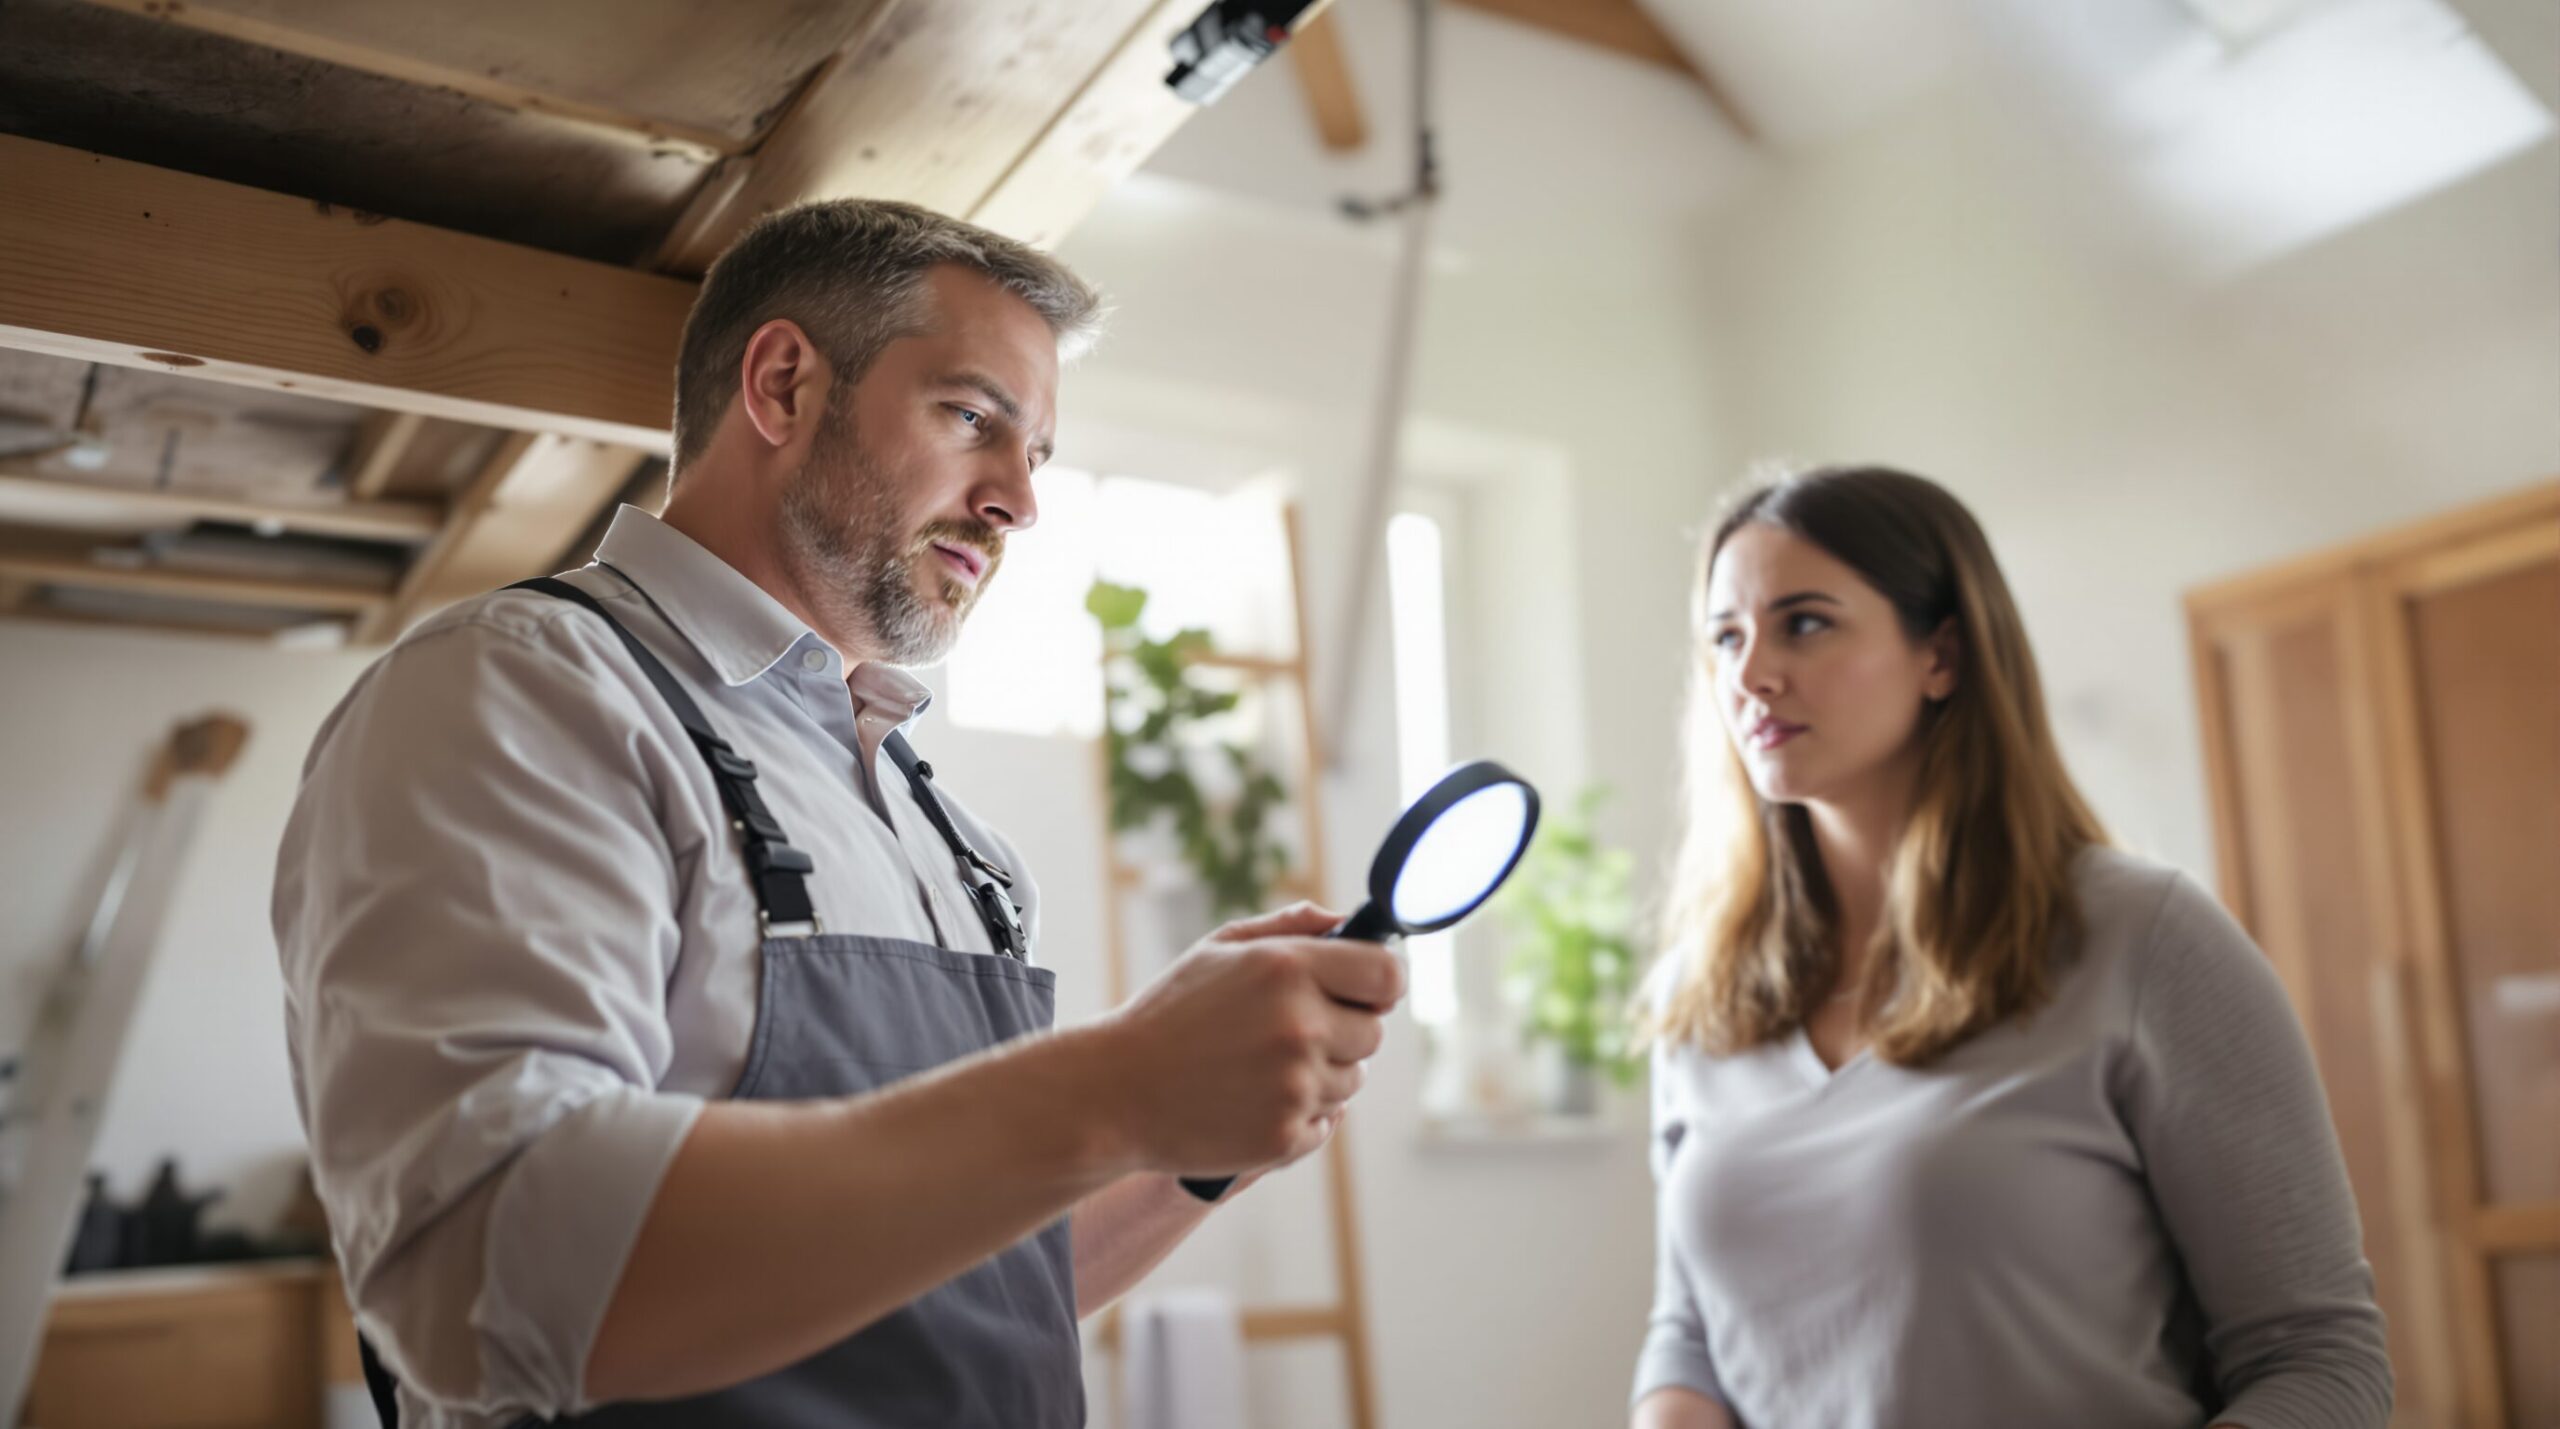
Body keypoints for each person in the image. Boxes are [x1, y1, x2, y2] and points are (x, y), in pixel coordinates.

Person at [273, 199, 1402, 1429]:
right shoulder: (524, 694)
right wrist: (1121, 1084)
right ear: (783, 385)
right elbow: (484, 1270)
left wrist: (1188, 1143)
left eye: (1036, 456)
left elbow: (971, 1291)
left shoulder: (953, 843)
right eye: (972, 418)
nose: (1018, 501)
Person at [1628, 467, 2391, 1429]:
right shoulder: (1698, 998)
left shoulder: (2144, 939)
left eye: (1805, 623)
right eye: (1725, 638)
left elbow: (2319, 1360)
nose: (1750, 676)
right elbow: (1691, 1331)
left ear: (1942, 655)